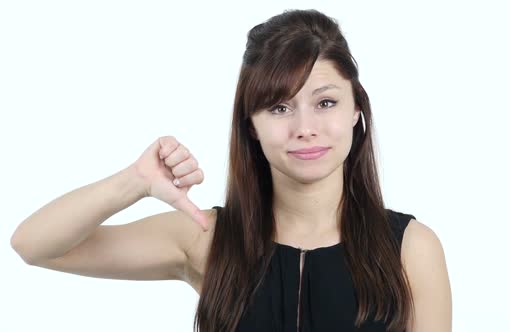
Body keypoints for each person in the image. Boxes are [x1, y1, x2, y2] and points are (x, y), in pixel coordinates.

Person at [10, 9, 451, 332]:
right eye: (280, 107)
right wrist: (135, 182)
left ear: (357, 111)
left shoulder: (411, 249)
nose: (305, 128)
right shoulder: (205, 239)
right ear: (251, 126)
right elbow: (34, 245)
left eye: (326, 102)